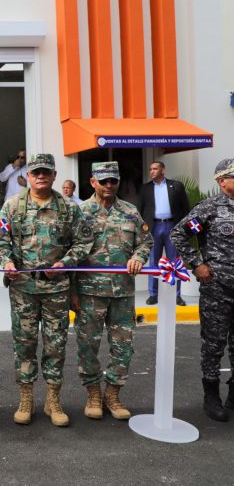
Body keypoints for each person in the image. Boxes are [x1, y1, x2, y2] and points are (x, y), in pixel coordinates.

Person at [0, 153, 94, 427]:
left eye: (45, 172)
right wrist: (8, 262)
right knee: (24, 345)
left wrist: (65, 263)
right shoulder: (12, 206)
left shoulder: (69, 208)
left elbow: (84, 242)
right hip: (23, 289)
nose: (40, 176)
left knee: (56, 345)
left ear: (54, 175)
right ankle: (26, 399)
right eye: (36, 172)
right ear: (29, 175)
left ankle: (52, 400)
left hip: (56, 289)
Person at [72, 162, 152, 421]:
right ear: (93, 181)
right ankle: (93, 393)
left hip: (122, 293)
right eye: (103, 181)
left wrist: (139, 256)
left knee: (123, 347)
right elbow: (69, 252)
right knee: (87, 346)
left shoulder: (130, 212)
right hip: (89, 293)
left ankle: (113, 394)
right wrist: (71, 292)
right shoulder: (79, 212)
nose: (109, 185)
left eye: (113, 181)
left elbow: (145, 241)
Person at [171, 158, 234, 422]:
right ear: (222, 181)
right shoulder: (210, 209)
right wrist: (197, 264)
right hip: (218, 289)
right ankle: (211, 397)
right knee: (213, 345)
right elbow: (178, 235)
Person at [137, 161, 190, 305]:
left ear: (163, 171)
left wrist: (184, 229)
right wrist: (142, 230)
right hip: (154, 227)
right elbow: (139, 211)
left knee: (175, 262)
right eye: (150, 169)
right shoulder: (145, 188)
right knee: (154, 261)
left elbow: (185, 208)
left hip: (173, 226)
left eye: (155, 169)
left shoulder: (176, 186)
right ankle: (153, 294)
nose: (152, 171)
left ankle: (177, 295)